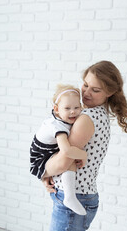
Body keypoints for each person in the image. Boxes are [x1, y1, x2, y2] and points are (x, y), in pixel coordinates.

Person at [43, 60, 127, 231]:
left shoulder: (86, 117)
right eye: (85, 85)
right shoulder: (99, 114)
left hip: (73, 197)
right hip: (82, 194)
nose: (86, 93)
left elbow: (65, 160)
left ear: (110, 92)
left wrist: (43, 172)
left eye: (95, 89)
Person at [30, 84, 87, 215]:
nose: (73, 111)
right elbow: (66, 151)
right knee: (70, 156)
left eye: (77, 107)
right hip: (41, 159)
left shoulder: (63, 118)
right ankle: (70, 197)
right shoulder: (57, 127)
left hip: (48, 152)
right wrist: (83, 155)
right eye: (67, 108)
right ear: (56, 109)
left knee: (69, 156)